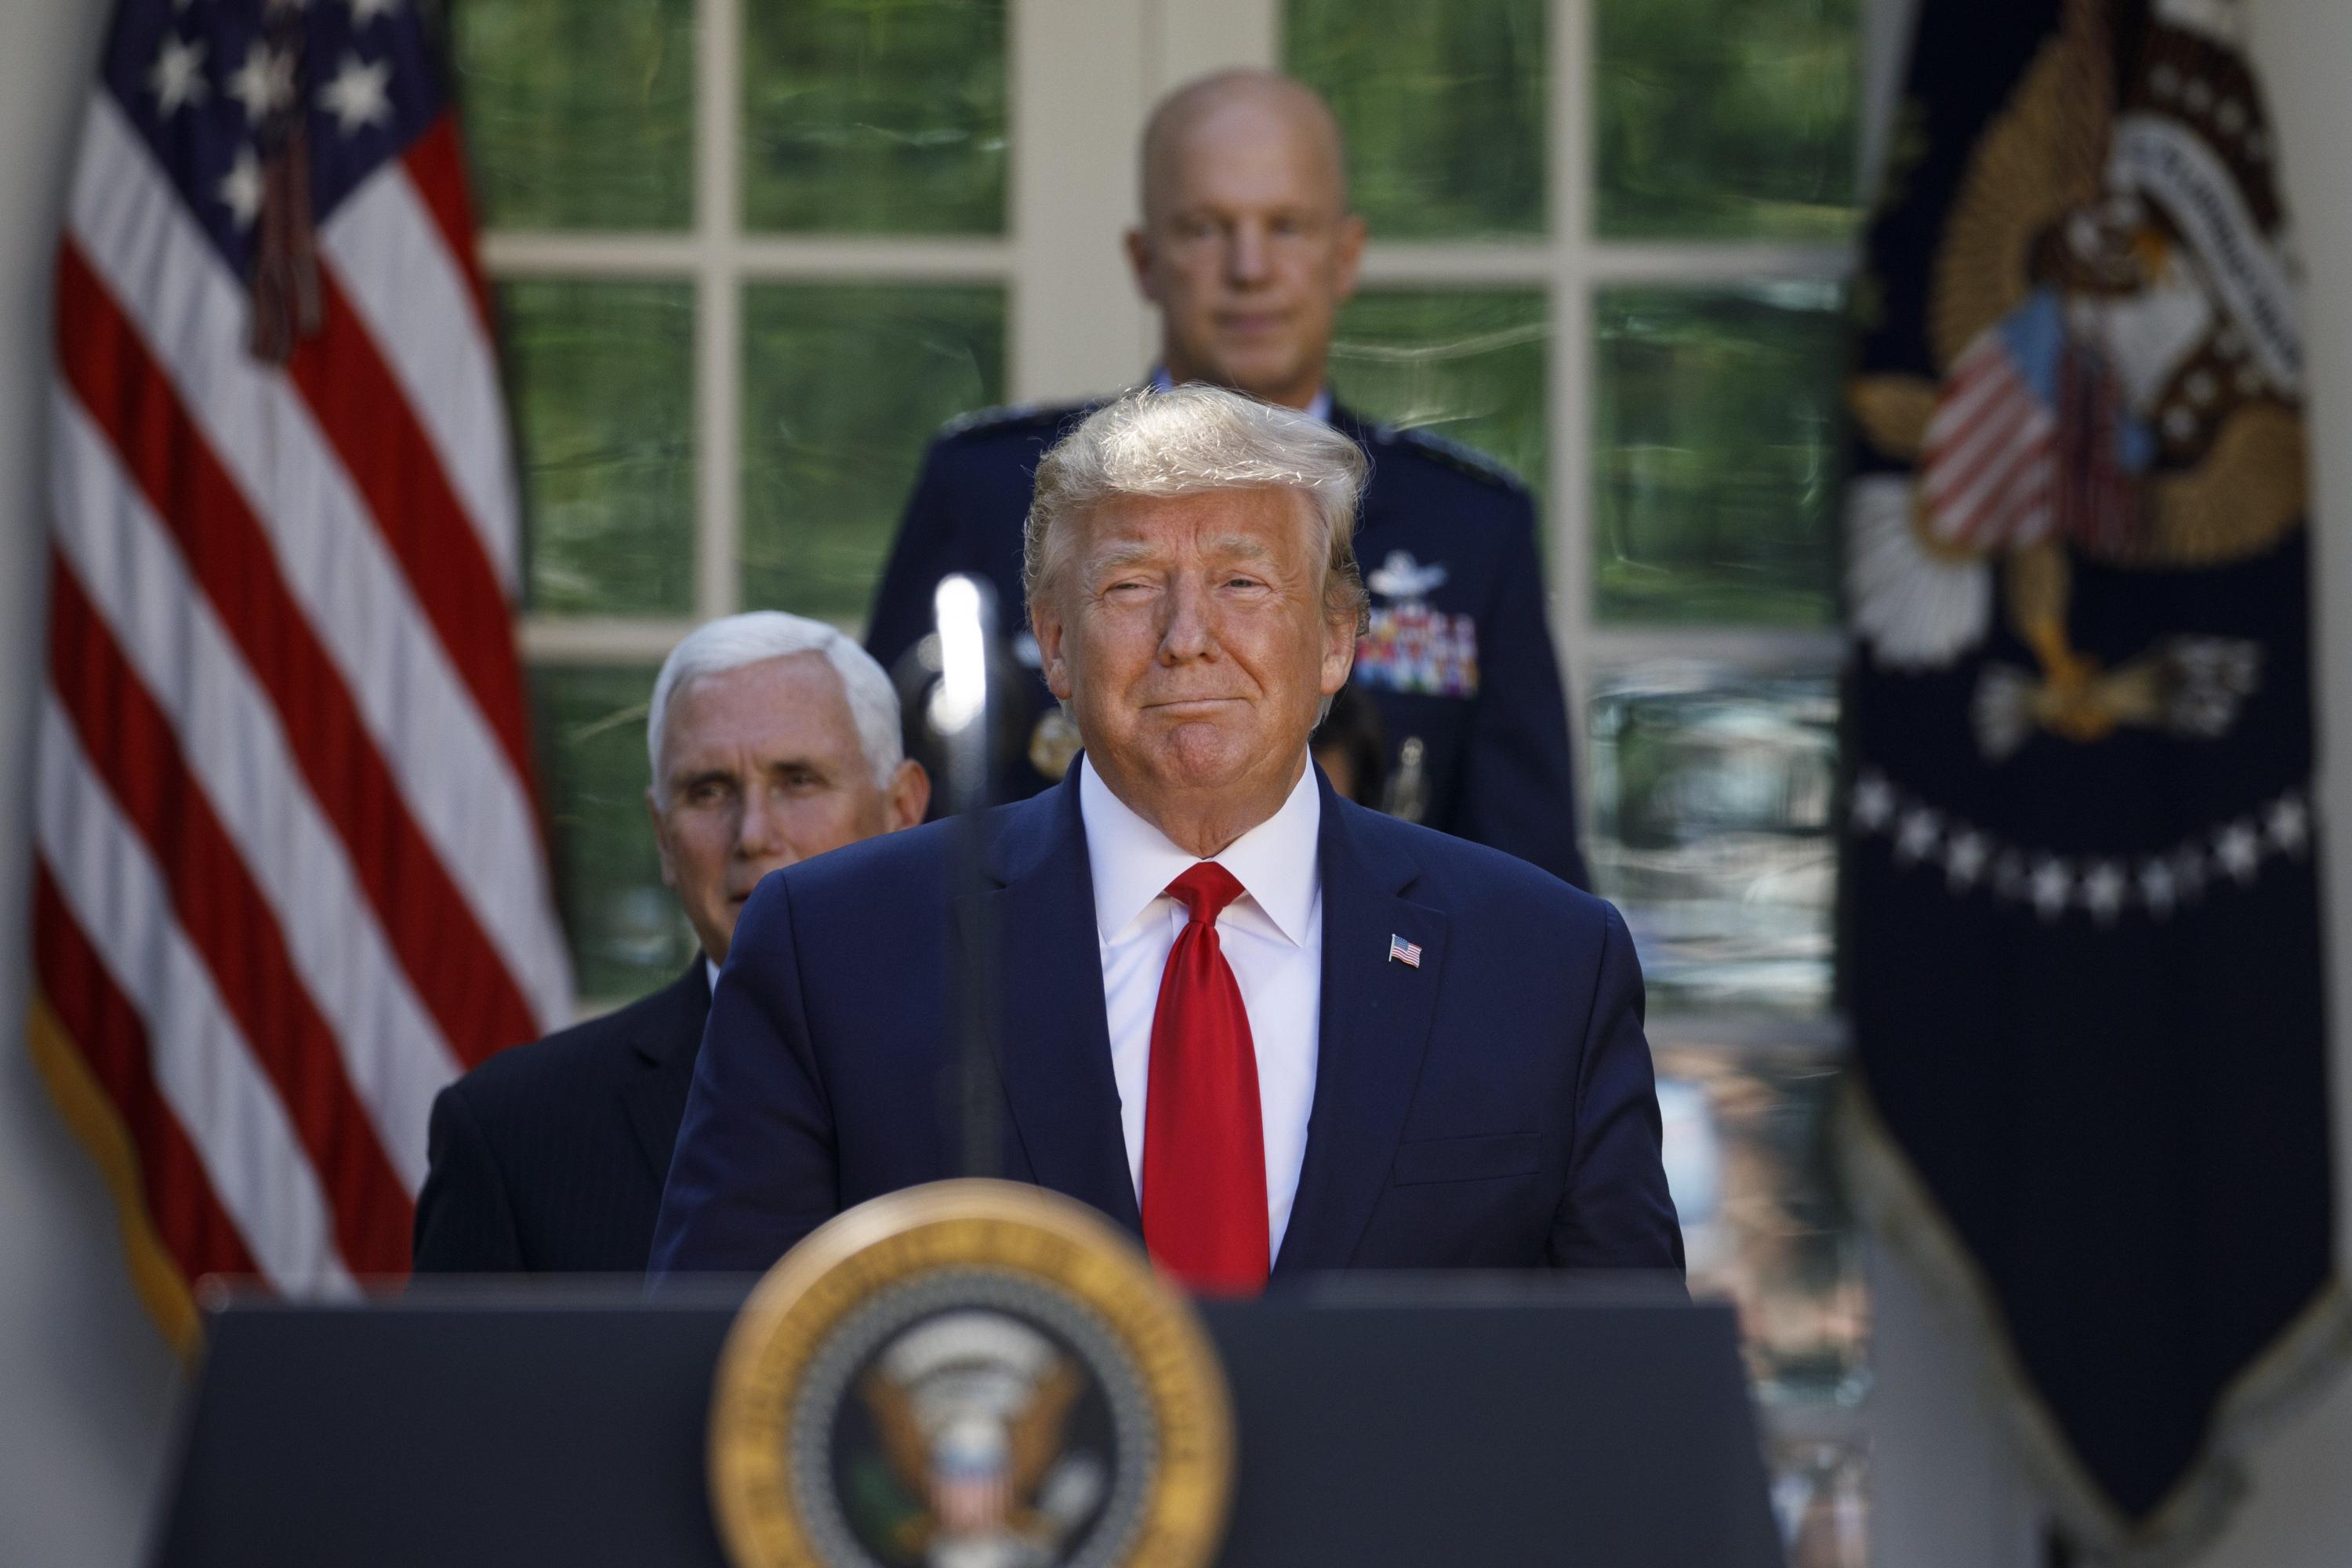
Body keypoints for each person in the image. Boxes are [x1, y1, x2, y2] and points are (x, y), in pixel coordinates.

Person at [653, 387, 1680, 1286]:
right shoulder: (834, 949)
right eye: (1132, 585)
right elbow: (717, 1362)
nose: (1187, 637)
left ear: (1336, 638)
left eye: (1241, 582)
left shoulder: (1545, 965)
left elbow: (1627, 1392)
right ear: (1056, 642)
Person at [864, 68, 1586, 887]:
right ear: (1145, 260)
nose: (1249, 268)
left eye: (1287, 226)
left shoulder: (1468, 525)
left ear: (1345, 255)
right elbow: (887, 819)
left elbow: (1529, 878)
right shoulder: (989, 489)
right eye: (1206, 228)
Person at [412, 613, 929, 1273]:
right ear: (662, 835)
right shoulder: (510, 1134)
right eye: (708, 791)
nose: (752, 834)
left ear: (902, 809)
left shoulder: (1015, 1073)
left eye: (797, 781)